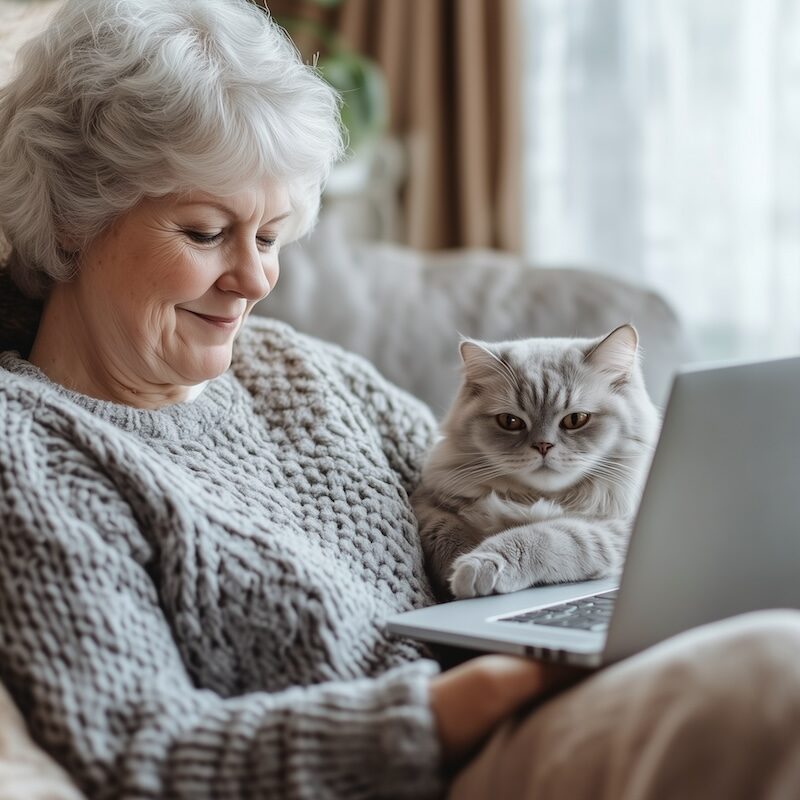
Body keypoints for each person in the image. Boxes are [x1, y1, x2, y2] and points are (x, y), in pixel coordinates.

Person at [0, 1, 798, 799]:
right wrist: (483, 696)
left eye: (271, 237)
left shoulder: (308, 377)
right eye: (207, 233)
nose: (255, 281)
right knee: (776, 675)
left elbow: (500, 523)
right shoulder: (29, 447)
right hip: (433, 764)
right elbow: (147, 756)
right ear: (73, 221)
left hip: (526, 708)